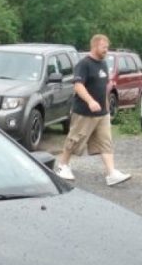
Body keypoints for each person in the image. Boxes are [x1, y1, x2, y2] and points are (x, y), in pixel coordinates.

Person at [56, 34, 131, 186]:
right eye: (104, 47)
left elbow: (103, 87)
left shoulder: (103, 64)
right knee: (75, 139)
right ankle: (62, 165)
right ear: (95, 46)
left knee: (106, 142)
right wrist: (90, 101)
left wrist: (107, 109)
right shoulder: (84, 64)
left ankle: (111, 174)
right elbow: (78, 85)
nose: (106, 51)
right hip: (84, 112)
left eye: (107, 48)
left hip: (102, 114)